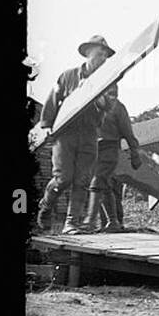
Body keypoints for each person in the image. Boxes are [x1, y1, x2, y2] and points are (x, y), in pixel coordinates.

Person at [34, 33, 116, 233]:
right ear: (88, 53)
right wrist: (46, 126)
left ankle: (72, 223)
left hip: (89, 134)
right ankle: (45, 205)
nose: (103, 58)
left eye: (106, 55)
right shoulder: (67, 76)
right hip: (65, 134)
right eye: (99, 54)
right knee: (63, 178)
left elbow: (108, 105)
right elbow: (53, 99)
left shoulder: (109, 81)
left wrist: (97, 96)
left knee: (82, 181)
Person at [89, 83, 141, 232]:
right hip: (93, 150)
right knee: (101, 187)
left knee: (102, 183)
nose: (112, 96)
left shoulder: (118, 108)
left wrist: (135, 153)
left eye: (114, 93)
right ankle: (108, 223)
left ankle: (115, 222)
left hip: (110, 148)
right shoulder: (90, 106)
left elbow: (128, 132)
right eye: (109, 93)